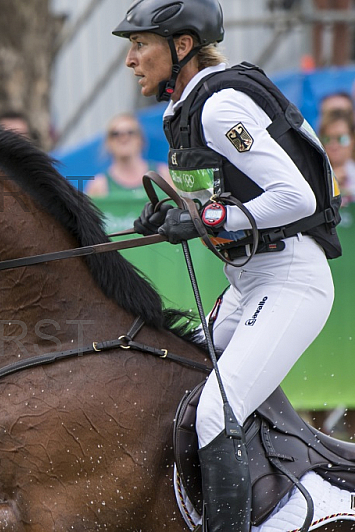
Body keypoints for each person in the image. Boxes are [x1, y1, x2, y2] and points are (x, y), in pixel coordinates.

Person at [114, 1, 341, 531]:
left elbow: (298, 197)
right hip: (249, 284)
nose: (131, 60)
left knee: (217, 412)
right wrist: (182, 210)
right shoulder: (189, 106)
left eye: (139, 44)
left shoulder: (219, 108)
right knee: (184, 378)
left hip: (290, 283)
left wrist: (208, 219)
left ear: (183, 46)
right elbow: (225, 198)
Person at [84, 113, 168, 199]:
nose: (123, 138)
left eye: (130, 132)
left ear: (140, 139)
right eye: (115, 134)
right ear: (108, 142)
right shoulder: (98, 186)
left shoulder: (163, 175)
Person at [319, 109, 355, 206]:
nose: (334, 145)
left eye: (341, 139)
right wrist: (330, 184)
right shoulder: (316, 177)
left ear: (352, 140)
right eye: (327, 139)